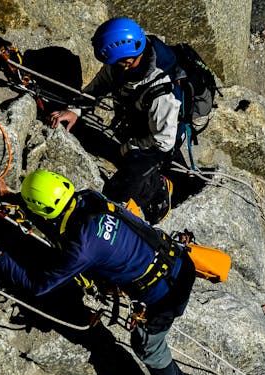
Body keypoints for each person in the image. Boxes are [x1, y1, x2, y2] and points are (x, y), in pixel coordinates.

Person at [0, 169, 198, 375]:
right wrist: (11, 196)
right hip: (178, 261)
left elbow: (37, 285)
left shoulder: (82, 249)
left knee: (146, 345)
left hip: (166, 296)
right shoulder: (89, 197)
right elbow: (55, 214)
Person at [48, 17, 187, 225]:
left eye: (112, 61)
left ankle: (159, 190)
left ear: (128, 59)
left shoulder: (161, 92)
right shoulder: (121, 66)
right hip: (139, 127)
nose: (108, 66)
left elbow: (164, 141)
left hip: (160, 141)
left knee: (117, 191)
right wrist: (74, 110)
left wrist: (128, 148)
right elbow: (97, 87)